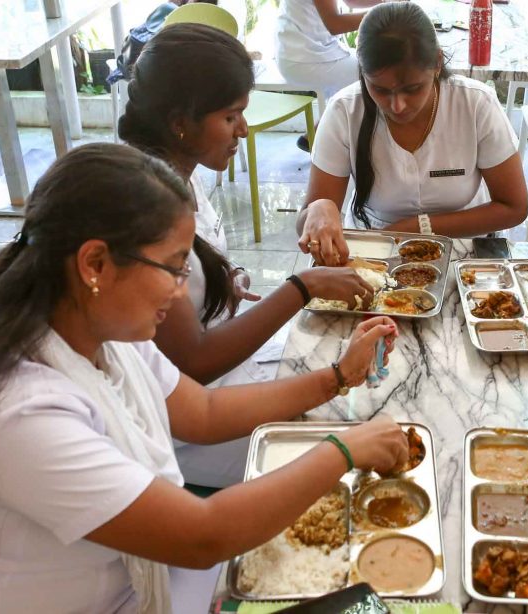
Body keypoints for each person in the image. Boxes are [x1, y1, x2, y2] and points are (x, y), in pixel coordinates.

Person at [0, 144, 408, 614]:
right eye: (174, 268)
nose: (183, 291)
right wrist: (342, 450)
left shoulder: (107, 333)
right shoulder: (15, 413)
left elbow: (203, 412)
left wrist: (338, 376)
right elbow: (202, 536)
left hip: (134, 581)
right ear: (95, 264)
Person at [120, 23, 376, 487]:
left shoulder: (182, 170)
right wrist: (301, 288)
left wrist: (221, 280)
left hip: (217, 381)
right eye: (230, 116)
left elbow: (199, 265)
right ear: (181, 121)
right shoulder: (141, 206)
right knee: (346, 440)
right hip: (182, 422)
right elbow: (192, 361)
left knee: (356, 377)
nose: (243, 129)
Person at [296, 2, 528, 266]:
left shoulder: (475, 104)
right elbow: (307, 222)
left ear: (437, 64)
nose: (397, 106)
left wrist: (418, 228)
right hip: (377, 248)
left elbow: (514, 207)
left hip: (466, 246)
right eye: (380, 90)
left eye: (413, 88)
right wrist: (317, 212)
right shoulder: (343, 111)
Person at [276, 0, 386, 152]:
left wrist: (385, 2)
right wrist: (385, 13)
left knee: (370, 67)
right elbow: (335, 24)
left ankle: (315, 135)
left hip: (301, 53)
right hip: (304, 59)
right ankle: (333, 142)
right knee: (375, 72)